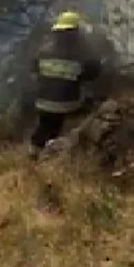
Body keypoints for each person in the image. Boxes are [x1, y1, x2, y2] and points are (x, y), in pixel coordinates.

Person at [29, 10, 104, 158]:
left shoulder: (44, 50)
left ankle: (35, 148)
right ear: (76, 32)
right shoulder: (82, 52)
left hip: (42, 101)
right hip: (70, 104)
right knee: (95, 107)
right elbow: (93, 74)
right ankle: (65, 148)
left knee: (45, 123)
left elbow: (34, 70)